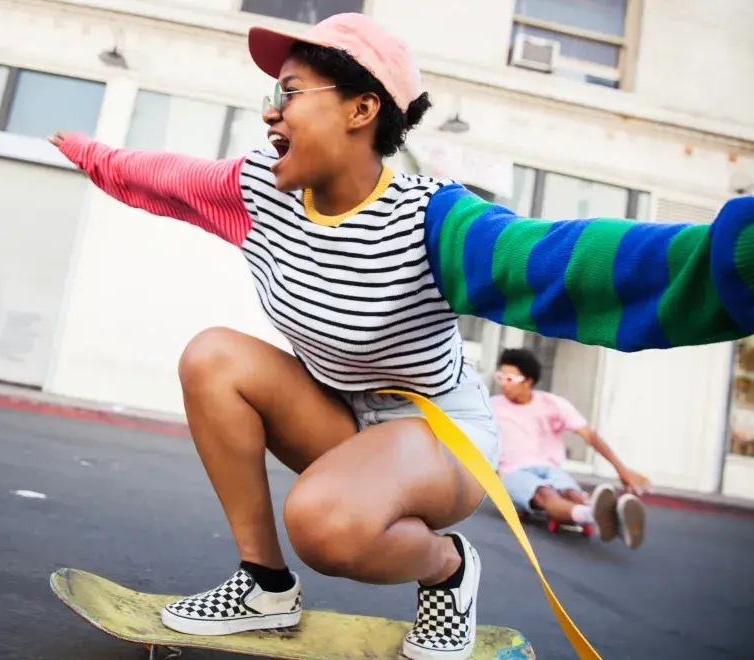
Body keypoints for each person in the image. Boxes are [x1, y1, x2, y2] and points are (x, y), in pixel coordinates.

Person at [48, 13, 752, 658]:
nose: (270, 110)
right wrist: (83, 147)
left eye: (290, 92)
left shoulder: (433, 221)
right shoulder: (259, 191)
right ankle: (263, 587)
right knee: (213, 357)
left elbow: (566, 264)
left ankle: (448, 569)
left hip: (439, 437)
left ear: (361, 109)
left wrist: (734, 256)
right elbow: (159, 176)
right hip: (344, 421)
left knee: (323, 524)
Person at [492, 349, 651, 548]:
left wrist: (622, 470)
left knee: (571, 493)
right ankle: (594, 515)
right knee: (545, 494)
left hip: (549, 468)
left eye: (509, 378)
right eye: (500, 377)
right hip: (513, 472)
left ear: (528, 381)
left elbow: (589, 436)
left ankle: (612, 520)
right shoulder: (492, 407)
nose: (503, 384)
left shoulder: (552, 403)